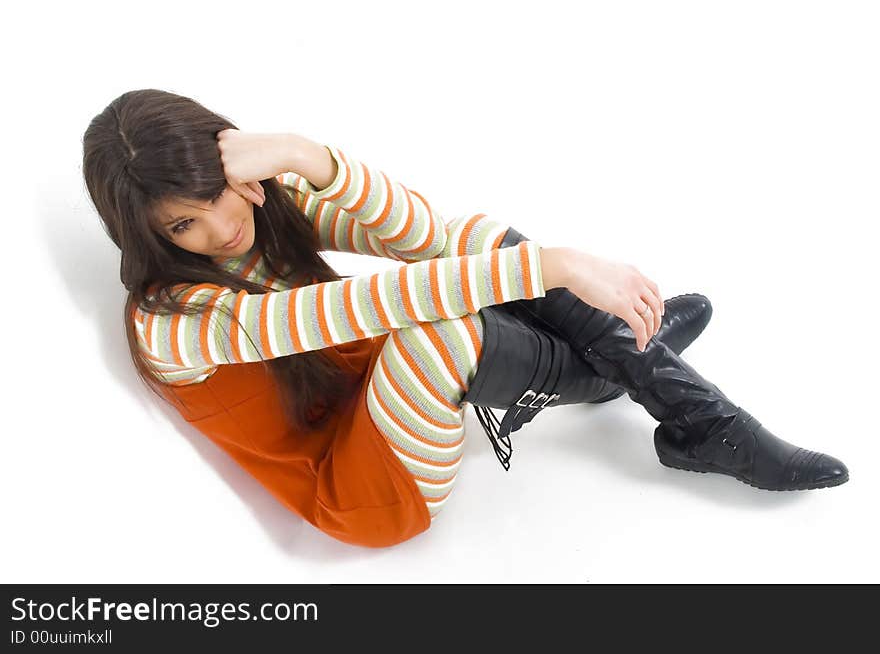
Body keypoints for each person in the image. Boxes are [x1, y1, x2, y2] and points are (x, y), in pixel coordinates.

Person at [82, 89, 849, 548]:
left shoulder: (261, 210)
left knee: (468, 235)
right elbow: (351, 308)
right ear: (145, 236)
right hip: (364, 485)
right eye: (182, 226)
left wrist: (305, 156)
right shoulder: (170, 321)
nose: (218, 229)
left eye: (214, 193)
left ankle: (682, 407)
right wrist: (557, 265)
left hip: (385, 396)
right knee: (437, 321)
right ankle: (628, 368)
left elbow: (422, 233)